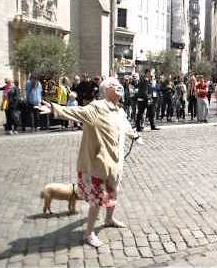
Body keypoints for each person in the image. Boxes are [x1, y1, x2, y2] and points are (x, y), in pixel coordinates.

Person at [39, 77, 141, 248]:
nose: (118, 87)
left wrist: (135, 136)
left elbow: (125, 126)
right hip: (97, 164)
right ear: (105, 90)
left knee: (114, 192)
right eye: (113, 85)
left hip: (115, 162)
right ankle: (88, 234)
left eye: (119, 85)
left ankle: (109, 219)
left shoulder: (118, 110)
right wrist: (55, 109)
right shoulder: (97, 107)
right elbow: (78, 112)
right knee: (97, 200)